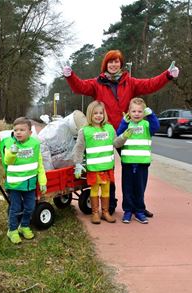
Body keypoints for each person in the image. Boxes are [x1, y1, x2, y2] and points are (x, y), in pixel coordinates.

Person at [63, 49, 179, 216]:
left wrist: (167, 75)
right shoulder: (97, 83)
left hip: (125, 132)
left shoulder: (129, 82)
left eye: (116, 61)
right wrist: (70, 76)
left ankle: (137, 206)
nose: (113, 64)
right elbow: (79, 86)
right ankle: (109, 205)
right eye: (110, 61)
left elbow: (150, 84)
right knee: (106, 169)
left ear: (121, 64)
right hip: (106, 132)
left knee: (134, 171)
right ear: (106, 65)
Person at [72, 101, 129, 224]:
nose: (98, 116)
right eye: (95, 113)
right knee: (94, 191)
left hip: (107, 168)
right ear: (89, 115)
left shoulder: (109, 128)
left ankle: (105, 212)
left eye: (101, 113)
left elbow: (116, 143)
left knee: (106, 191)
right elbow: (79, 148)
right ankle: (95, 213)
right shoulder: (85, 131)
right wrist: (78, 164)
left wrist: (124, 136)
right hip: (94, 169)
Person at [0, 117, 47, 244]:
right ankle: (12, 230)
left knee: (30, 207)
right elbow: (7, 161)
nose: (18, 132)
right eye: (16, 130)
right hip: (15, 184)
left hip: (30, 183)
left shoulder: (34, 144)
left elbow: (39, 164)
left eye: (22, 130)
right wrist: (12, 152)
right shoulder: (9, 143)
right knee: (15, 208)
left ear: (30, 132)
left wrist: (42, 181)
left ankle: (24, 226)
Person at [116, 98, 159, 224]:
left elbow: (156, 127)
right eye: (133, 111)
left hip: (142, 164)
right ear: (129, 112)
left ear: (143, 113)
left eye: (140, 111)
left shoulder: (146, 126)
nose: (136, 113)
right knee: (127, 188)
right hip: (128, 163)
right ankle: (128, 211)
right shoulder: (126, 125)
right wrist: (124, 122)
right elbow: (118, 136)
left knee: (140, 189)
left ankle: (139, 211)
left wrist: (151, 115)